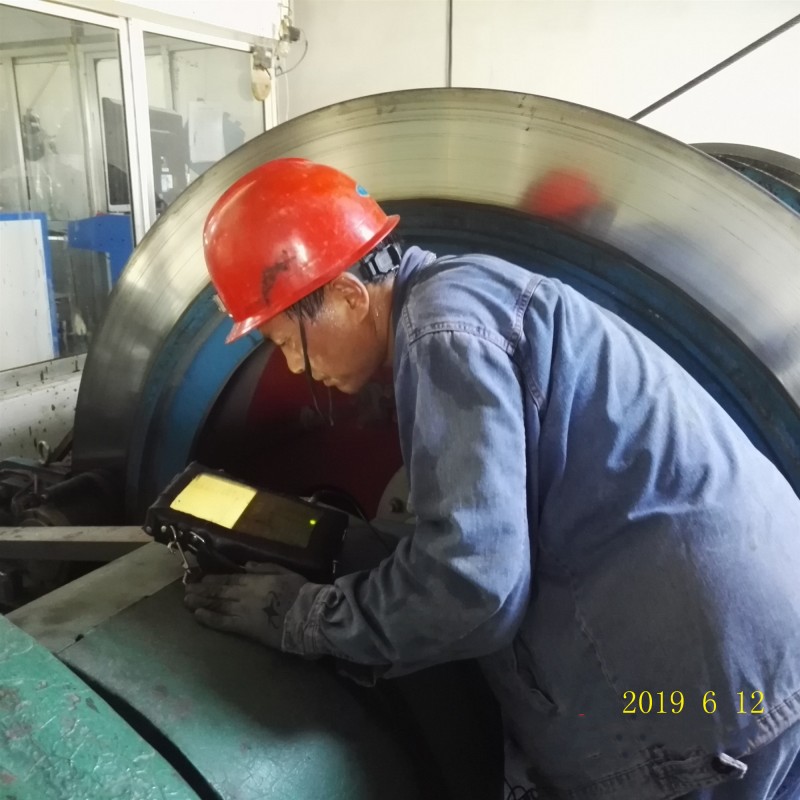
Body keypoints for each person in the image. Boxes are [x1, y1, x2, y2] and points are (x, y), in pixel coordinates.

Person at [187, 157, 800, 800]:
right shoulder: (469, 292)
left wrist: (305, 617)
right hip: (759, 660)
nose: (294, 368)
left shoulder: (442, 332)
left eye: (288, 342)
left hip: (701, 705)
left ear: (347, 295)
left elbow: (472, 585)